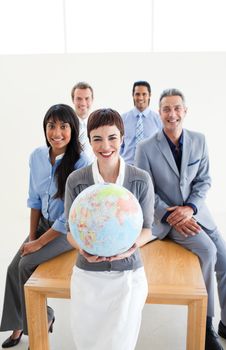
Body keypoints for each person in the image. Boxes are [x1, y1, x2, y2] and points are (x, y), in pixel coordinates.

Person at [135, 88, 226, 350]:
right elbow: (146, 190)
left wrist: (191, 208)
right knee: (208, 252)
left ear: (185, 111)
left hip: (198, 215)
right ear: (159, 112)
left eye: (177, 108)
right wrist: (172, 214)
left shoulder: (199, 140)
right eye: (166, 109)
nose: (171, 114)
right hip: (166, 220)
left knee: (224, 258)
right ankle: (205, 326)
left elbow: (204, 180)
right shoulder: (145, 148)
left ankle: (225, 323)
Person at [0, 104, 90, 348]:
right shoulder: (37, 156)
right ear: (45, 128)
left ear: (73, 129)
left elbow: (70, 215)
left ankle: (40, 323)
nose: (57, 132)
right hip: (43, 224)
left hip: (67, 230)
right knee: (12, 268)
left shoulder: (82, 163)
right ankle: (21, 325)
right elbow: (35, 201)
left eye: (63, 126)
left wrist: (39, 243)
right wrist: (31, 237)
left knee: (26, 265)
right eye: (51, 126)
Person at [64, 108, 154, 350]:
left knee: (119, 344)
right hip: (88, 277)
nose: (106, 146)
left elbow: (148, 229)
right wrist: (82, 250)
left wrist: (130, 248)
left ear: (122, 138)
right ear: (89, 141)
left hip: (128, 276)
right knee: (87, 342)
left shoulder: (140, 179)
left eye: (112, 137)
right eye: (97, 139)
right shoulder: (76, 180)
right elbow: (70, 232)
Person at [120, 80, 162, 165]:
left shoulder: (158, 119)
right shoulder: (122, 119)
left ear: (149, 95)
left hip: (150, 166)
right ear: (133, 95)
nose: (140, 98)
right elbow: (118, 145)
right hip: (127, 165)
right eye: (137, 94)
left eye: (144, 94)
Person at [71, 81, 94, 161]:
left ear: (92, 100)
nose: (83, 103)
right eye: (79, 99)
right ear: (73, 100)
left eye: (87, 98)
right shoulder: (66, 126)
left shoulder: (99, 124)